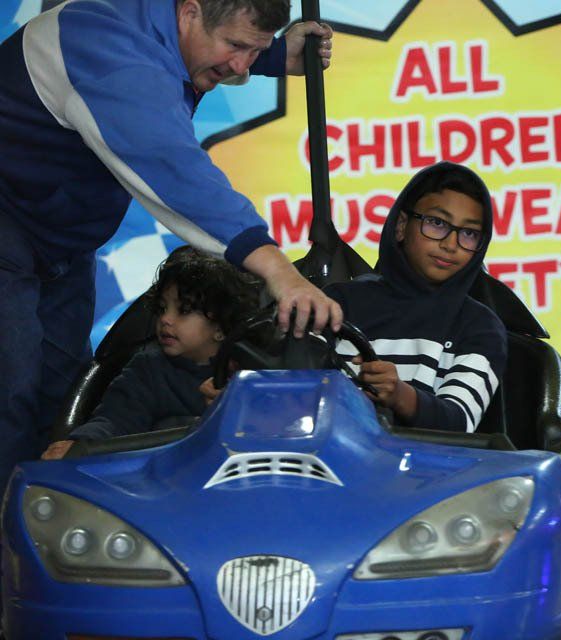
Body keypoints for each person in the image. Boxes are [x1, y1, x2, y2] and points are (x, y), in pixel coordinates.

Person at [0, 0, 343, 490]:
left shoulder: (163, 26)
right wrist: (279, 271)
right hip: (9, 223)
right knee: (7, 393)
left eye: (254, 50)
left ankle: (41, 522)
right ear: (189, 12)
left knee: (58, 399)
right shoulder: (109, 51)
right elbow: (177, 172)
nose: (239, 65)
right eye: (236, 47)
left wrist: (267, 56)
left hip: (59, 242)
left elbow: (189, 53)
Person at [324, 162, 507, 433]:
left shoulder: (480, 327)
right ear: (401, 226)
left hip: (430, 471)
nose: (450, 244)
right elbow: (296, 391)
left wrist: (400, 396)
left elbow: (460, 422)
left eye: (469, 233)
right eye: (437, 223)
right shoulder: (337, 303)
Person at [41, 247, 259, 460]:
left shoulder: (251, 371)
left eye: (183, 310)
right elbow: (116, 420)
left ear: (221, 328)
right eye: (162, 308)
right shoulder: (147, 368)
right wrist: (81, 445)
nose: (165, 319)